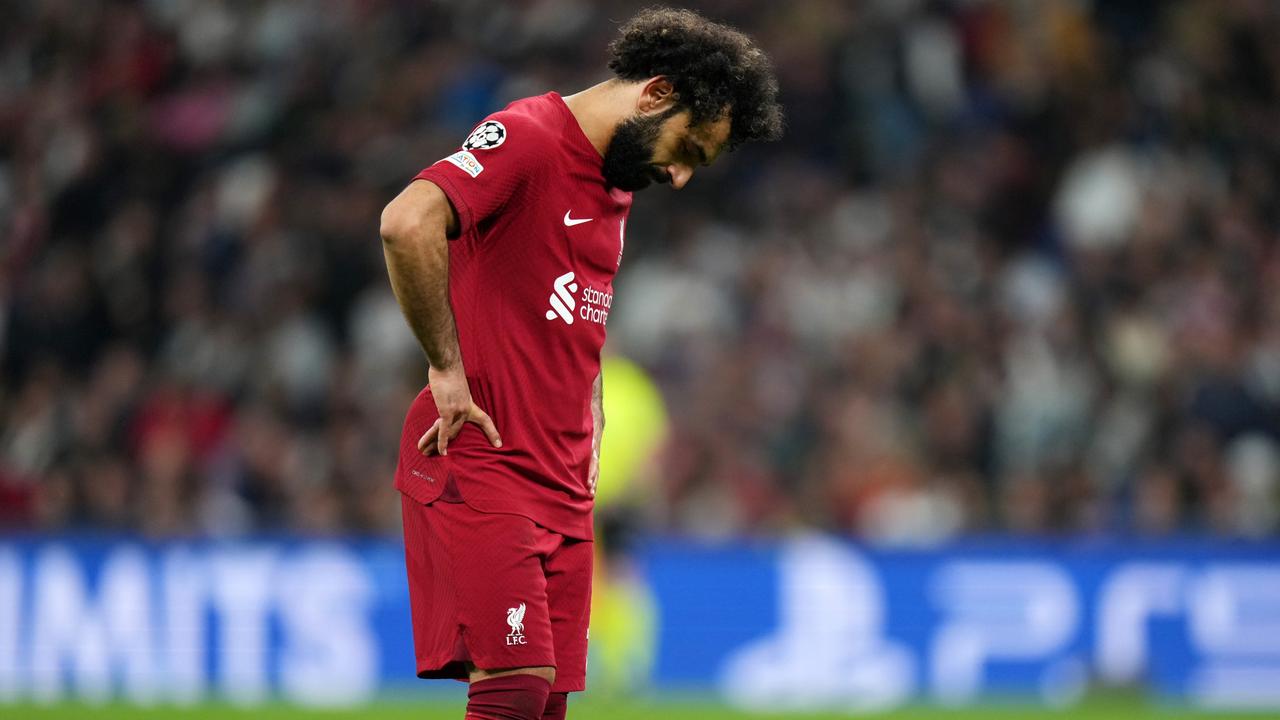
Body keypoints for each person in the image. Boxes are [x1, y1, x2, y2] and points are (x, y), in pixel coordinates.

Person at [378, 7, 782, 719]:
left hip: (564, 486)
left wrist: (588, 409)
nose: (682, 176)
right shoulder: (530, 138)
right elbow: (406, 223)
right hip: (485, 457)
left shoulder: (614, 186)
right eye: (688, 146)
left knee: (547, 705)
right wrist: (445, 364)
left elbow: (567, 313)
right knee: (516, 687)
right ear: (656, 93)